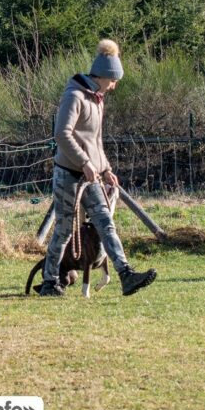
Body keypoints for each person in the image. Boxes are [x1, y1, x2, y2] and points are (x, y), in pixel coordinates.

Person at [37, 39, 157, 297]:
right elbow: (62, 134)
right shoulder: (74, 96)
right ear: (105, 76)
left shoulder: (97, 99)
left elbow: (95, 141)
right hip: (68, 174)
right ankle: (49, 282)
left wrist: (104, 169)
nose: (115, 86)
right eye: (114, 80)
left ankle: (126, 274)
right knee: (64, 229)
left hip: (91, 174)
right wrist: (84, 163)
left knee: (105, 222)